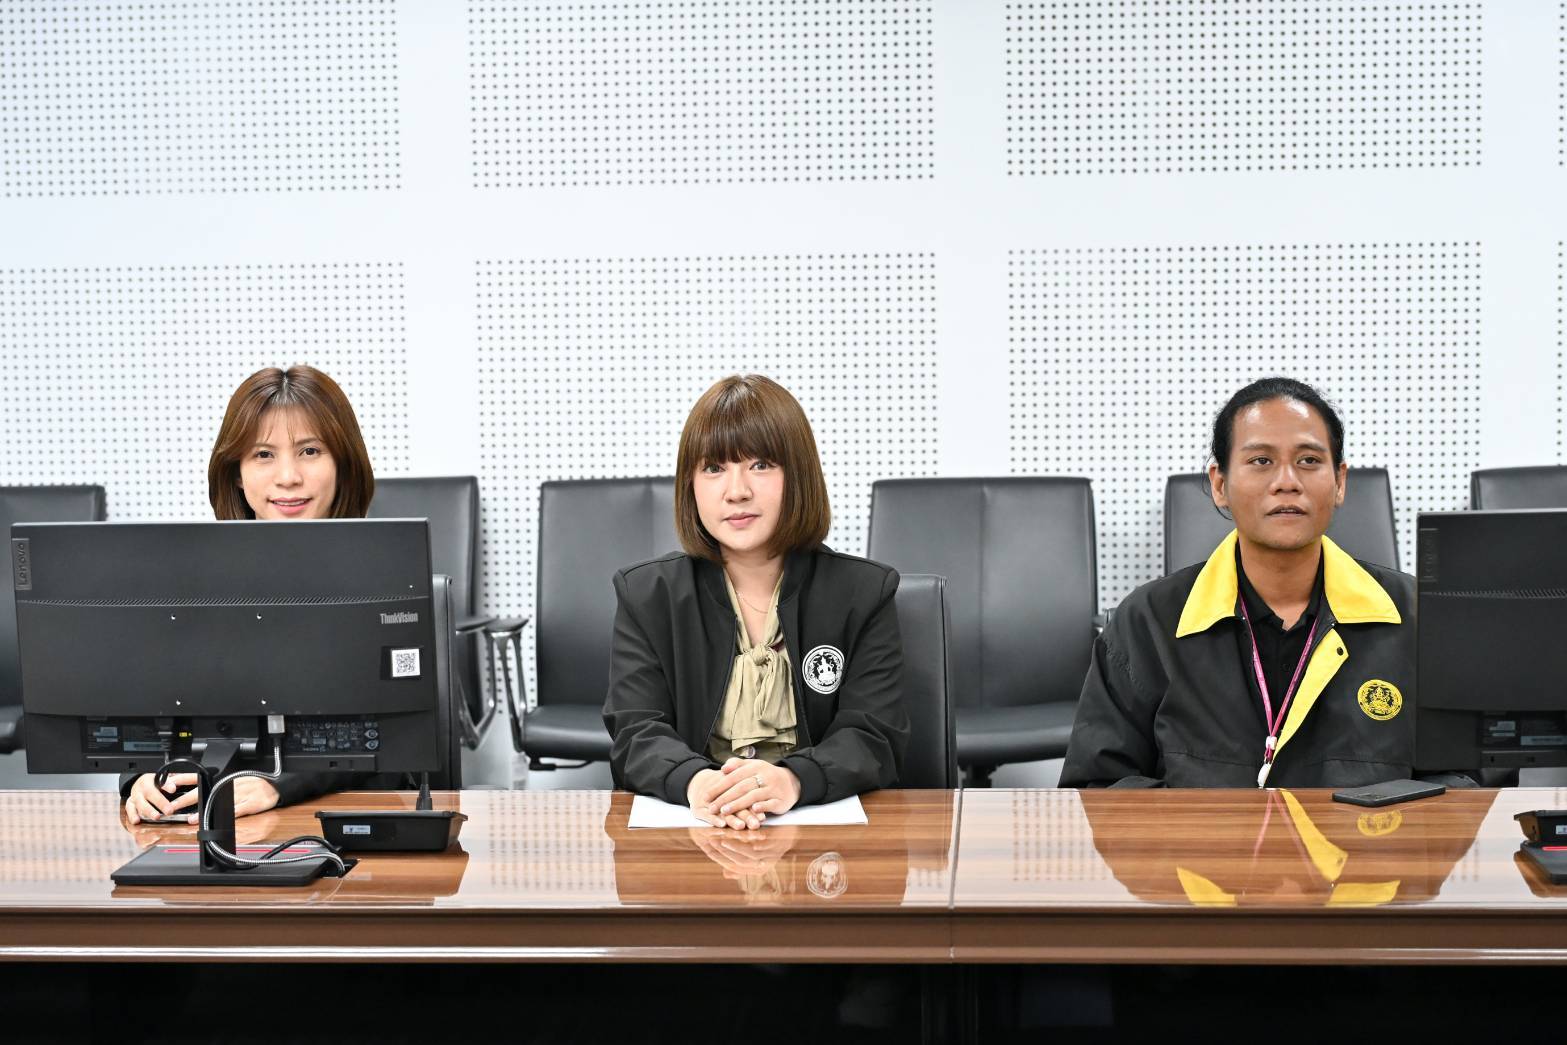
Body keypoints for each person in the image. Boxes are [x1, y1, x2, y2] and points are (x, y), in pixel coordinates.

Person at [1062, 377, 1471, 788]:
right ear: (1220, 484)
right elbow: (1098, 790)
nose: (1287, 481)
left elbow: (1465, 786)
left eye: (1309, 460)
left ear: (1340, 481)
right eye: (1261, 461)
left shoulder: (1418, 618)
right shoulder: (1147, 623)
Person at [604, 374, 910, 828]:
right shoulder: (647, 595)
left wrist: (793, 780)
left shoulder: (863, 592)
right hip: (697, 829)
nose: (736, 491)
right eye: (714, 468)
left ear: (799, 475)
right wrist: (697, 783)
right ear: (690, 485)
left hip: (820, 837)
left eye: (761, 464)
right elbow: (636, 732)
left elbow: (873, 734)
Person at [121, 365, 377, 824]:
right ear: (237, 474)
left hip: (346, 828)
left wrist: (279, 785)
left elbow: (400, 755)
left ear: (342, 465)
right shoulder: (189, 590)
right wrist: (142, 779)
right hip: (216, 824)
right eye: (263, 454)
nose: (288, 476)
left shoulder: (382, 583)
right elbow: (156, 722)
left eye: (310, 451)